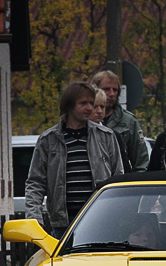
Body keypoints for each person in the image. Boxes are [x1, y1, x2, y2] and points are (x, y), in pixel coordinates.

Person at [25, 81, 123, 239]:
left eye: (91, 103)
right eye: (83, 103)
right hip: (63, 224)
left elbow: (118, 178)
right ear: (69, 106)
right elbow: (35, 182)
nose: (89, 108)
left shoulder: (105, 136)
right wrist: (34, 217)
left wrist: (117, 215)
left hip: (99, 220)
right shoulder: (48, 140)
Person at [91, 69, 149, 172]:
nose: (112, 94)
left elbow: (141, 162)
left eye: (115, 90)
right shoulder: (82, 120)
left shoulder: (128, 121)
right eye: (106, 89)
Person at [91, 88, 132, 173]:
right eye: (95, 107)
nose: (99, 111)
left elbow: (124, 168)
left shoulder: (112, 135)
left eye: (102, 107)